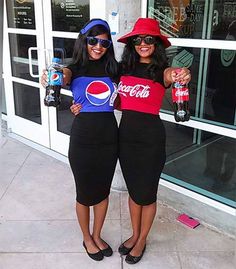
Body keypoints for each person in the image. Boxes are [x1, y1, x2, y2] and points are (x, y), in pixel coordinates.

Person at [71, 17, 191, 264]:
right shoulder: (123, 69)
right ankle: (135, 235)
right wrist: (75, 105)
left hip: (150, 141)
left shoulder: (160, 71)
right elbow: (109, 97)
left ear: (157, 43)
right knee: (134, 192)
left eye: (149, 39)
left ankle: (142, 239)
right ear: (132, 43)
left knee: (147, 194)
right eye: (138, 39)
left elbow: (173, 74)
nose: (143, 43)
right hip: (123, 140)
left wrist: (182, 73)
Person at [41, 18, 119, 261]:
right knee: (84, 193)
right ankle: (87, 238)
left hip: (109, 137)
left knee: (103, 192)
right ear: (84, 41)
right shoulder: (74, 68)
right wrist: (50, 77)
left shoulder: (114, 68)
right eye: (93, 41)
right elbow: (61, 77)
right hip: (83, 139)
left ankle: (97, 234)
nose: (98, 46)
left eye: (104, 43)